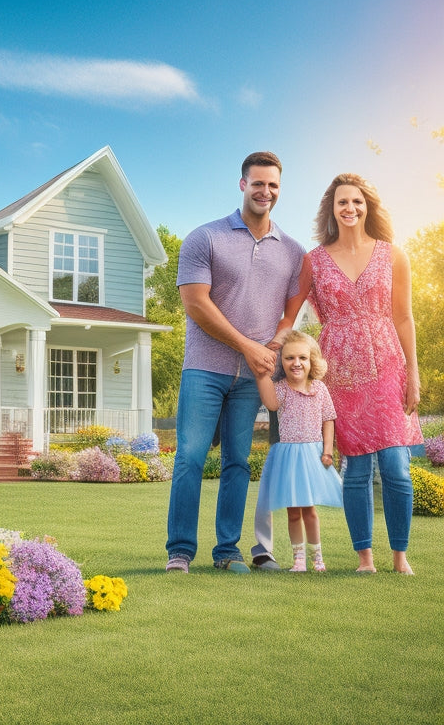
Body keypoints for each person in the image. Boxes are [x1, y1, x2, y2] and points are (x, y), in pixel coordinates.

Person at [274, 173, 422, 574]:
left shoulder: (393, 255)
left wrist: (413, 374)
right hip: (340, 373)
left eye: (357, 201)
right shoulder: (314, 260)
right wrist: (270, 349)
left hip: (389, 365)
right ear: (331, 209)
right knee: (354, 469)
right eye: (342, 202)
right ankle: (364, 559)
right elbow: (290, 315)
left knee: (395, 467)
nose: (350, 208)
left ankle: (400, 557)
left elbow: (404, 318)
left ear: (367, 206)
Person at [166, 151, 305, 573]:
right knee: (190, 456)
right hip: (205, 368)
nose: (266, 191)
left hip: (254, 377)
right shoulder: (204, 238)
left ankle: (227, 551)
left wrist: (274, 345)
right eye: (258, 183)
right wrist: (247, 344)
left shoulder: (295, 252)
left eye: (274, 185)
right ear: (243, 184)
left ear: (280, 190)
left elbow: (289, 315)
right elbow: (196, 304)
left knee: (239, 461)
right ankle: (180, 551)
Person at [254, 330, 342, 572]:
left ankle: (318, 558)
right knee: (294, 512)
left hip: (312, 455)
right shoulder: (281, 389)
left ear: (312, 360)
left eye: (302, 358)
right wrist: (262, 376)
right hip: (289, 457)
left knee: (310, 511)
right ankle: (299, 559)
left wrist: (327, 451)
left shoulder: (320, 389)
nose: (296, 363)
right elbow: (271, 403)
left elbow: (328, 420)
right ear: (282, 361)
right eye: (290, 358)